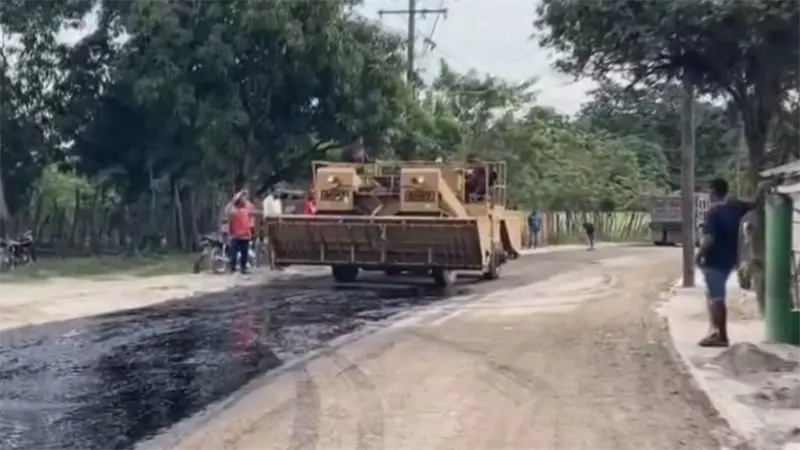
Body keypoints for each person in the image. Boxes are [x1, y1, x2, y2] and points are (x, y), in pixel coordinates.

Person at [695, 177, 771, 347]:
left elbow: (709, 238)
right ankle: (715, 331)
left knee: (717, 298)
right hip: (730, 259)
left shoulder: (713, 213)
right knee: (713, 296)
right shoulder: (735, 207)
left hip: (713, 260)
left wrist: (699, 254)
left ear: (713, 192)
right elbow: (754, 204)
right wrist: (762, 188)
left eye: (708, 192)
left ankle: (721, 336)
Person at [227, 192, 254, 274]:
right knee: (233, 253)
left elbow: (253, 213)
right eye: (243, 198)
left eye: (245, 198)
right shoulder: (233, 208)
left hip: (245, 235)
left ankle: (243, 268)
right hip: (235, 235)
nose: (245, 200)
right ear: (238, 200)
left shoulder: (248, 207)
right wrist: (234, 199)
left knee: (244, 253)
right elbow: (227, 211)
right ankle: (232, 268)